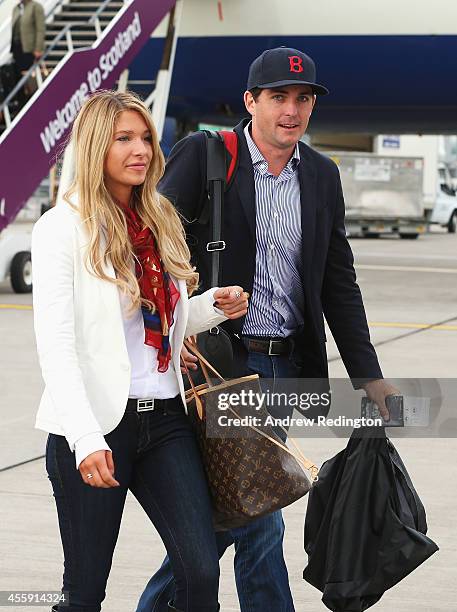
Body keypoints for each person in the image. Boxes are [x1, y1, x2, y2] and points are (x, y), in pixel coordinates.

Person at [137, 47, 399, 612]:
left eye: (303, 98)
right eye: (278, 96)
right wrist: (168, 331)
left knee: (248, 509)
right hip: (224, 366)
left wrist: (368, 376)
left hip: (286, 366)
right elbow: (147, 249)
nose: (292, 109)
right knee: (256, 516)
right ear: (251, 100)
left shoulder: (322, 177)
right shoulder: (208, 156)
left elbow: (338, 284)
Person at [31, 90, 249, 612]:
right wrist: (85, 439)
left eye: (146, 138)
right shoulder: (61, 228)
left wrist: (209, 307)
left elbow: (157, 322)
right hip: (95, 425)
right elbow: (57, 346)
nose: (142, 150)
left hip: (166, 419)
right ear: (92, 147)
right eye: (123, 138)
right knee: (84, 594)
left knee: (199, 572)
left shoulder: (156, 221)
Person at [11, 0, 45, 86]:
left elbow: (40, 29)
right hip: (17, 48)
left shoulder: (36, 7)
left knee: (30, 77)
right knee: (19, 76)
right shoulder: (17, 8)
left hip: (30, 48)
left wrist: (38, 48)